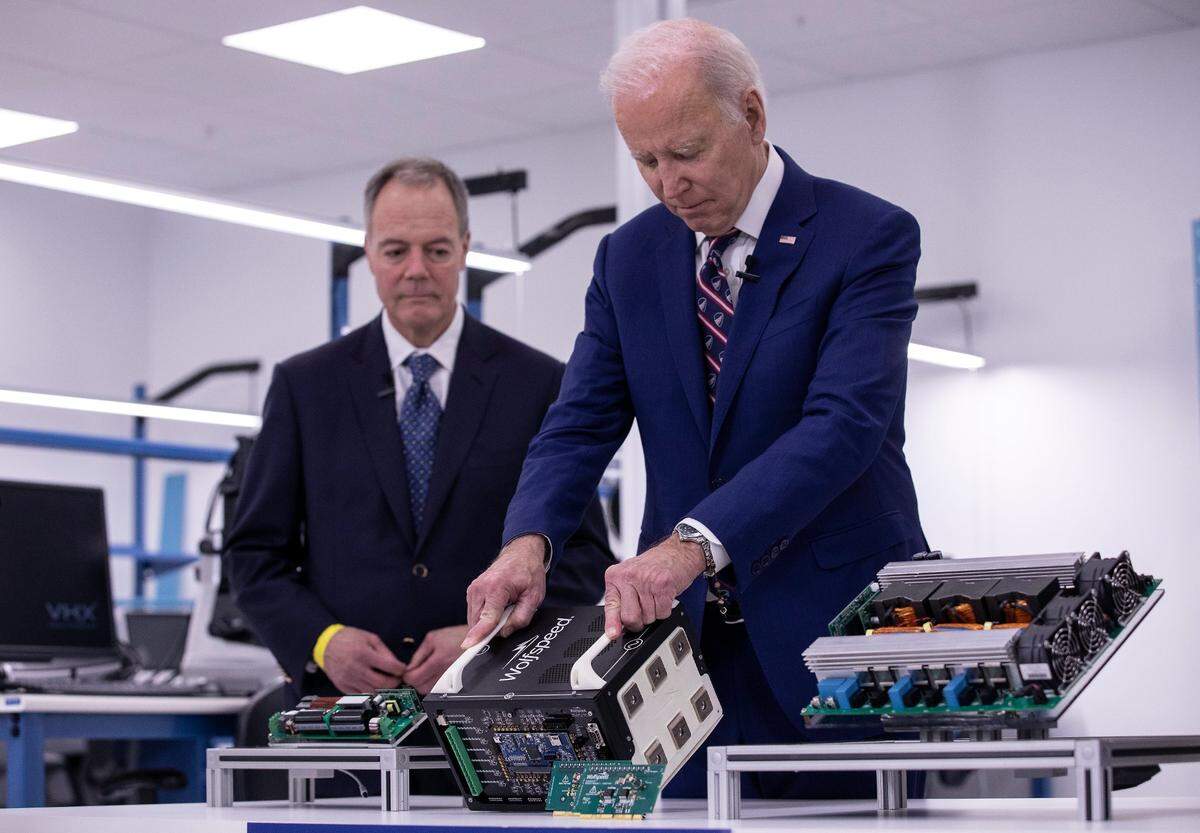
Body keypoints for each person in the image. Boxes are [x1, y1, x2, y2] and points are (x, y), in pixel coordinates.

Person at [461, 20, 927, 799]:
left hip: (831, 638)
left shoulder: (867, 237)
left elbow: (843, 426)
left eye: (686, 152)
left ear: (752, 115)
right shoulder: (628, 257)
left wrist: (691, 545)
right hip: (674, 657)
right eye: (644, 160)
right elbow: (579, 422)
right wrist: (527, 540)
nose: (667, 184)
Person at [228, 157, 613, 701]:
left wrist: (492, 635)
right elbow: (253, 557)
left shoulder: (538, 385)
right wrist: (322, 641)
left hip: (492, 710)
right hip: (346, 716)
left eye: (436, 250)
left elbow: (584, 560)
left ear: (464, 248)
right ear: (369, 253)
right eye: (395, 251)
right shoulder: (306, 387)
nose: (416, 270)